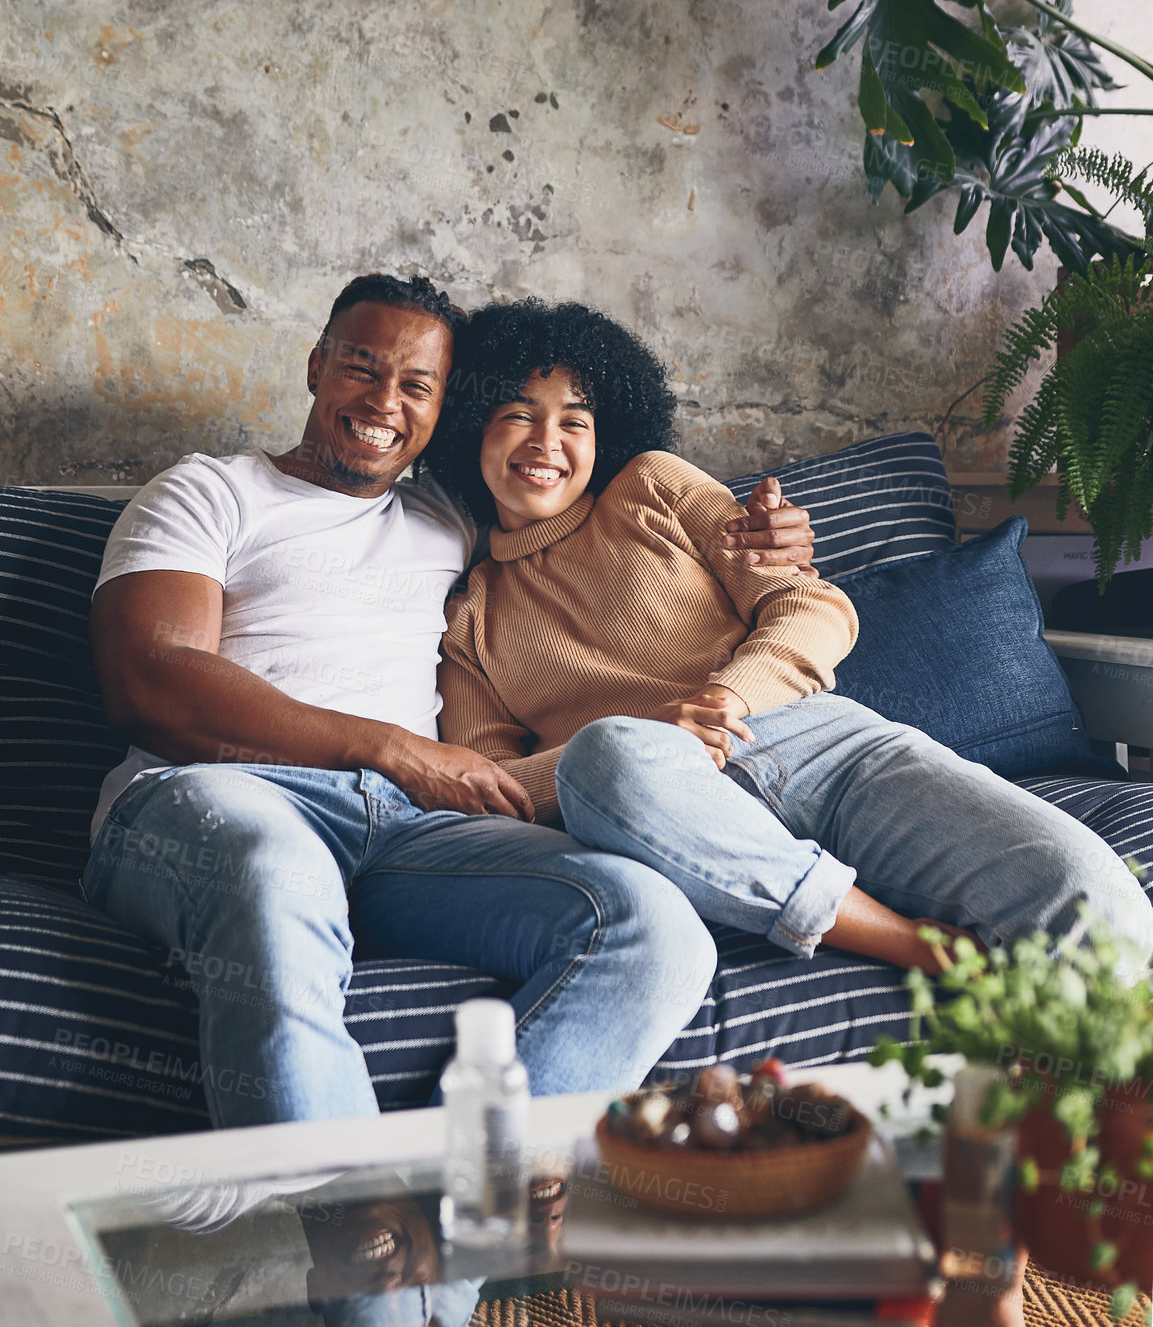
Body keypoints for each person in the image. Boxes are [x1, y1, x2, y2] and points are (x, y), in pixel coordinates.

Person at [81, 273, 811, 1129]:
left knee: (651, 924)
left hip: (407, 832)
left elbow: (585, 487)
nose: (384, 400)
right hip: (220, 795)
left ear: (445, 410)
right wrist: (392, 748)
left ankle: (459, 1215)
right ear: (316, 367)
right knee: (275, 870)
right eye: (361, 367)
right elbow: (150, 680)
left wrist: (762, 539)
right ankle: (345, 1238)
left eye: (417, 385)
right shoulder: (209, 492)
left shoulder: (449, 517)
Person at [433, 299, 1153, 974]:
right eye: (517, 415)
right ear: (472, 427)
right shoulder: (470, 618)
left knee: (1093, 896)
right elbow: (489, 790)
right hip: (665, 802)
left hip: (824, 746)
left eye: (575, 422)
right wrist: (653, 731)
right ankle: (920, 949)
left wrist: (724, 699)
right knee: (605, 755)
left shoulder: (652, 488)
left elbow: (813, 609)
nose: (546, 443)